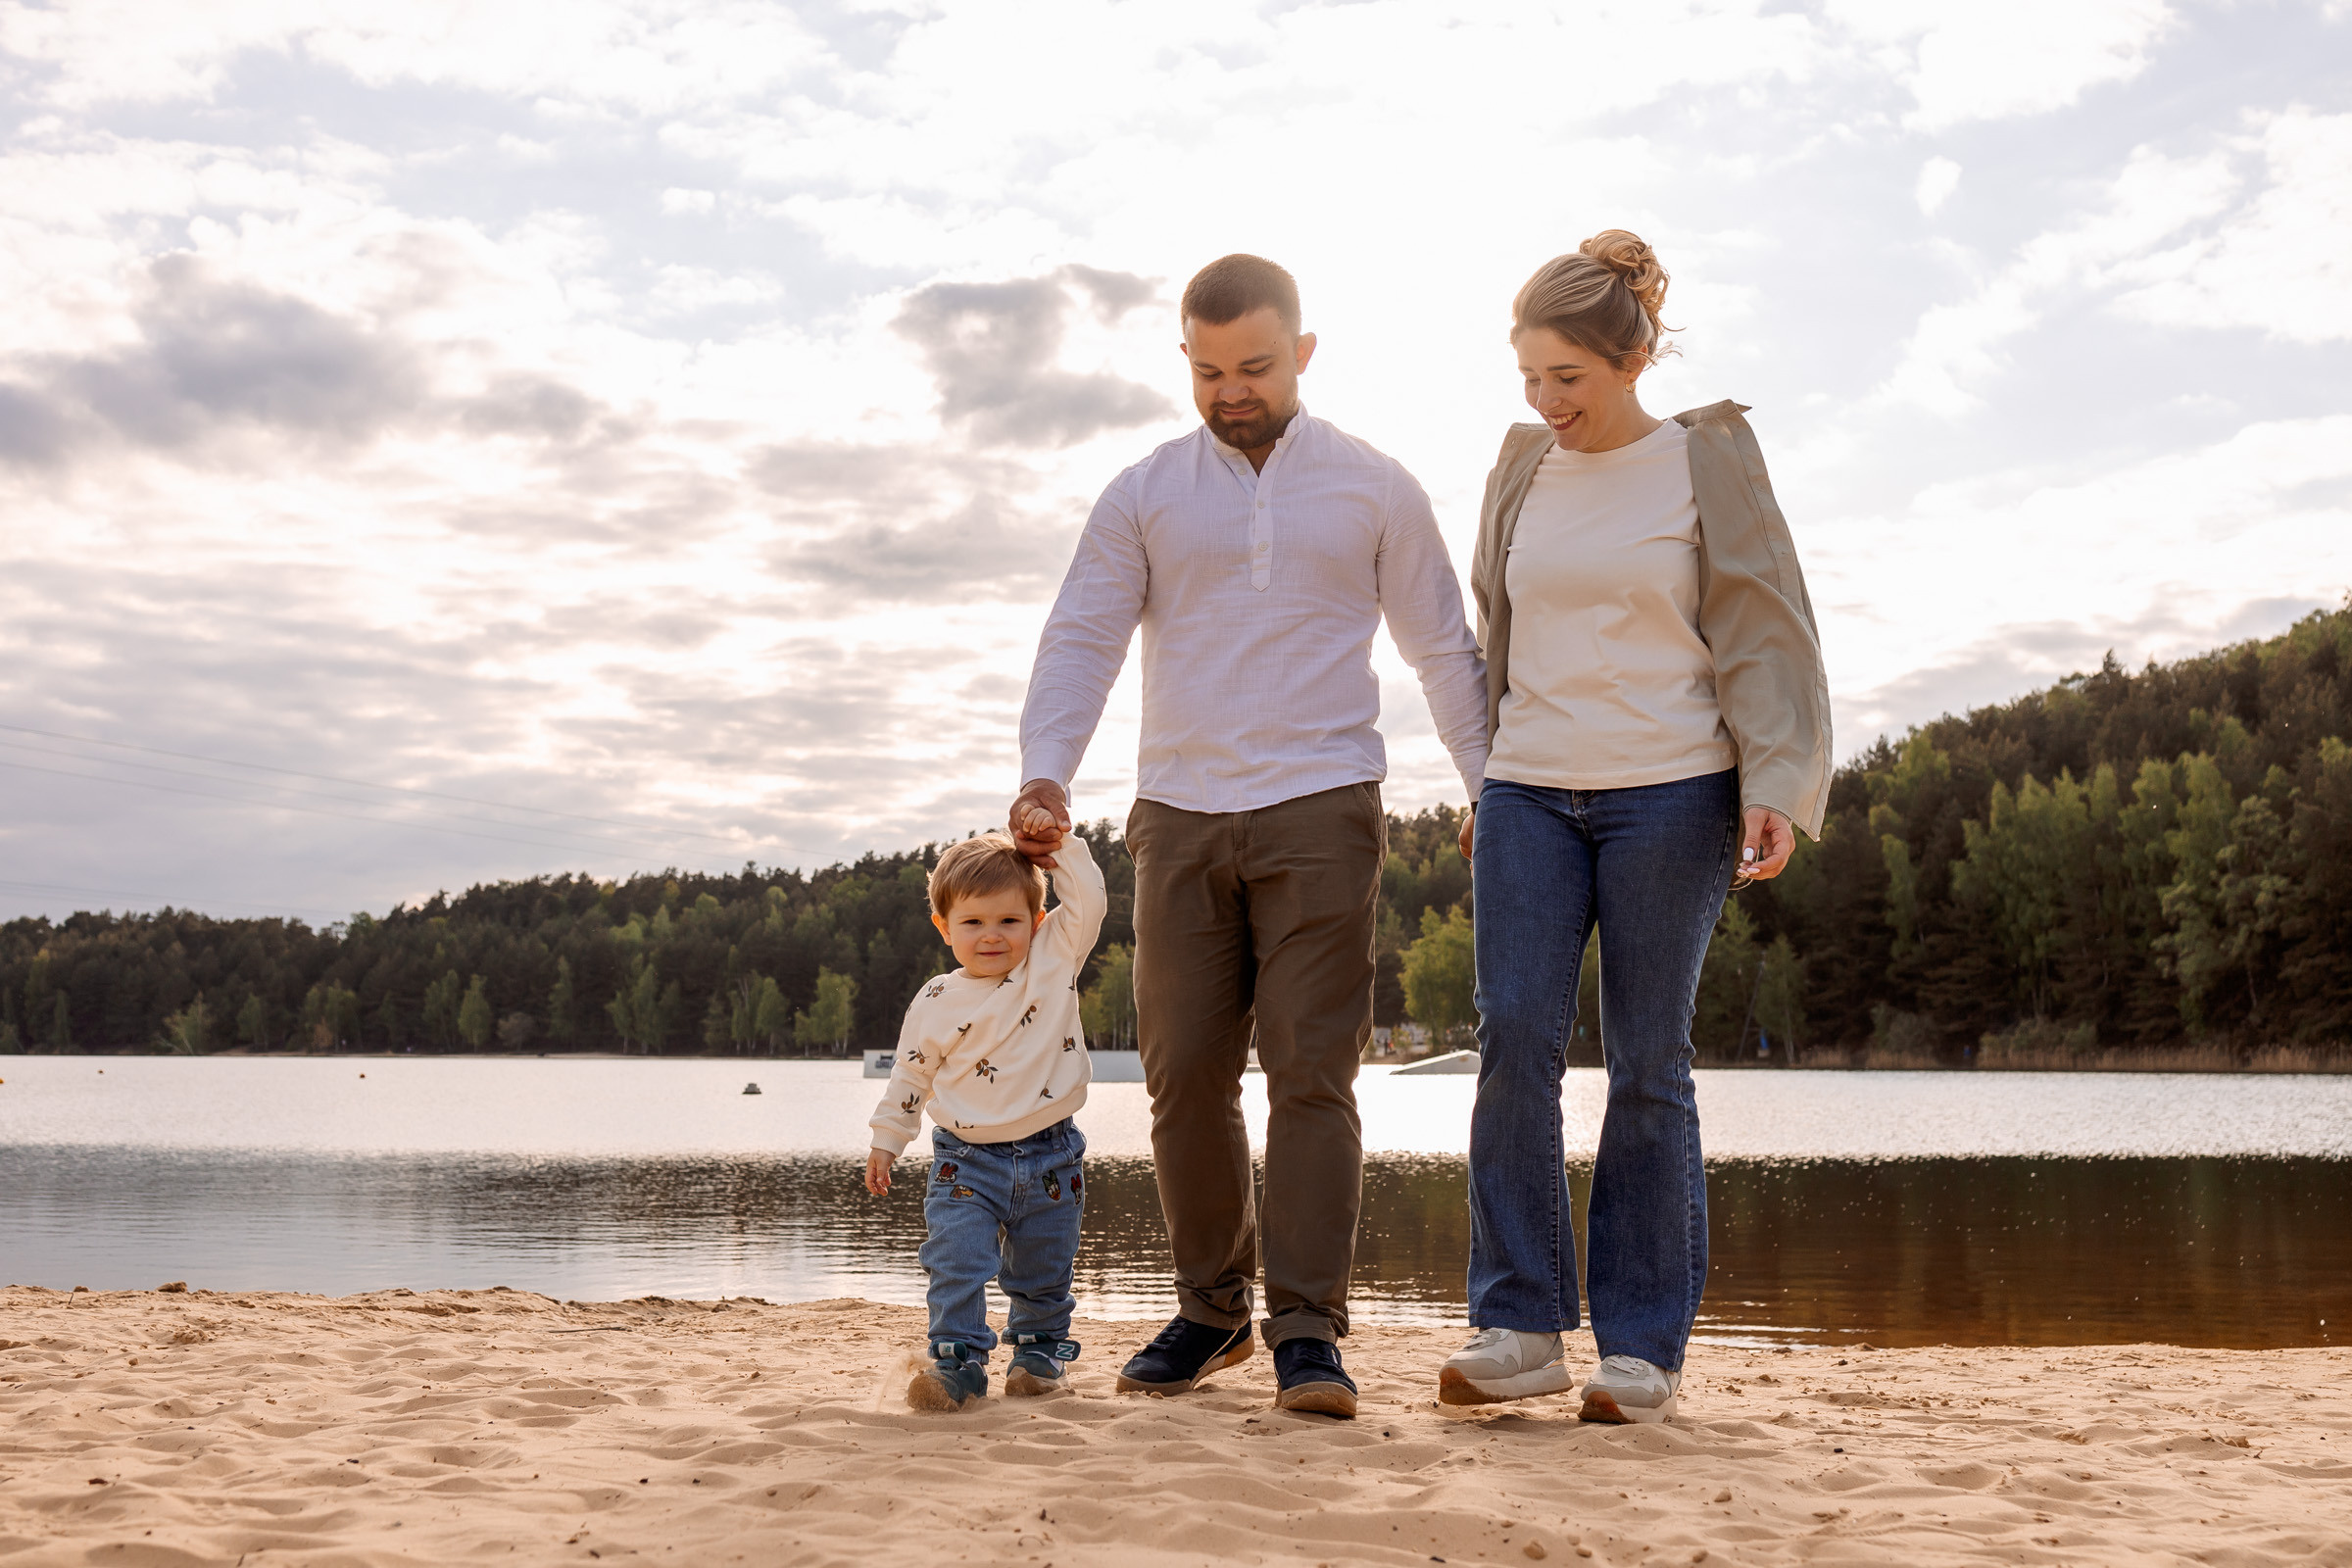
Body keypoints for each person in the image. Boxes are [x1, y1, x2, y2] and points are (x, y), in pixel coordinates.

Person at [1010, 255, 1489, 1419]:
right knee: (1182, 1077)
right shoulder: (1145, 491)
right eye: (1209, 370)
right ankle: (1213, 1305)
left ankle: (1310, 1332)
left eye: (1256, 367)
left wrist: (1492, 789)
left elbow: (1442, 648)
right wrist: (1044, 772)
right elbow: (1083, 634)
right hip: (1176, 814)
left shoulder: (1375, 487)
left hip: (1323, 807)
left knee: (1313, 1076)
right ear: (1186, 361)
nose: (1232, 390)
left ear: (1304, 355)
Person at [1436, 231, 1831, 1423]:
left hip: (1673, 790)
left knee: (1648, 1062)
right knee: (1513, 1043)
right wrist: (1484, 781)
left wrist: (1779, 779)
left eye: (1570, 378)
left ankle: (1642, 1347)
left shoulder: (1703, 458)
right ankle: (1518, 1322)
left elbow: (1769, 625)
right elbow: (1496, 633)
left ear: (1637, 356)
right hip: (1528, 790)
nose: (1548, 402)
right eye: (1530, 379)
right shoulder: (1520, 467)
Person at [862, 817, 1106, 1410]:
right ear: (944, 928)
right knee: (956, 1260)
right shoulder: (937, 999)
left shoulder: (1051, 963)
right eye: (972, 922)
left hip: (1052, 1153)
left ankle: (1038, 1354)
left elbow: (1092, 902)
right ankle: (958, 1363)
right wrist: (887, 1138)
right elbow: (911, 1074)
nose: (992, 935)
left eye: (1008, 921)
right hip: (965, 1161)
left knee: (1044, 1266)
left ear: (1037, 922)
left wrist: (1058, 848)